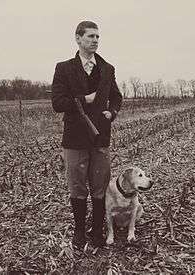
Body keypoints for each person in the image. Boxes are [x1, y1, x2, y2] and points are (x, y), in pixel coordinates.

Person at [51, 21, 122, 248]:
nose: (95, 40)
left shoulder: (108, 68)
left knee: (99, 186)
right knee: (78, 187)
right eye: (90, 36)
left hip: (101, 136)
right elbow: (57, 103)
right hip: (74, 138)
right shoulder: (63, 68)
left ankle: (98, 232)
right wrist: (84, 100)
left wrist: (112, 112)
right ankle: (80, 232)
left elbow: (117, 96)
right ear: (78, 38)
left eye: (97, 37)